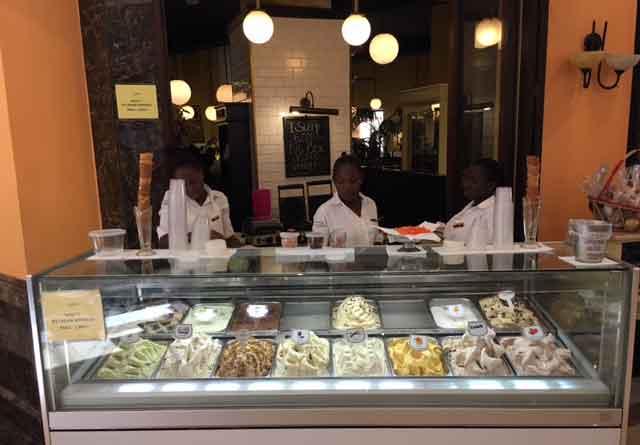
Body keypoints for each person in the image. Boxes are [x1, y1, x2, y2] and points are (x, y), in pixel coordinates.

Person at [157, 152, 241, 248]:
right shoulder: (172, 198)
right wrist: (198, 234)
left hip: (216, 256)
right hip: (187, 257)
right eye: (183, 185)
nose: (189, 188)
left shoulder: (219, 198)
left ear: (202, 175)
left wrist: (246, 251)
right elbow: (163, 242)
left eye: (193, 182)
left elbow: (229, 237)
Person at [312, 153, 379, 247]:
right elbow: (318, 252)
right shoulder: (324, 212)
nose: (347, 187)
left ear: (361, 179)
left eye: (353, 181)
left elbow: (375, 241)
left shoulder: (370, 204)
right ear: (334, 182)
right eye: (341, 182)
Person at [443, 158, 503, 244]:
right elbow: (458, 226)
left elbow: (475, 242)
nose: (466, 184)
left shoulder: (494, 213)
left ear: (490, 186)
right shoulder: (473, 204)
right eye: (466, 178)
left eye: (473, 181)